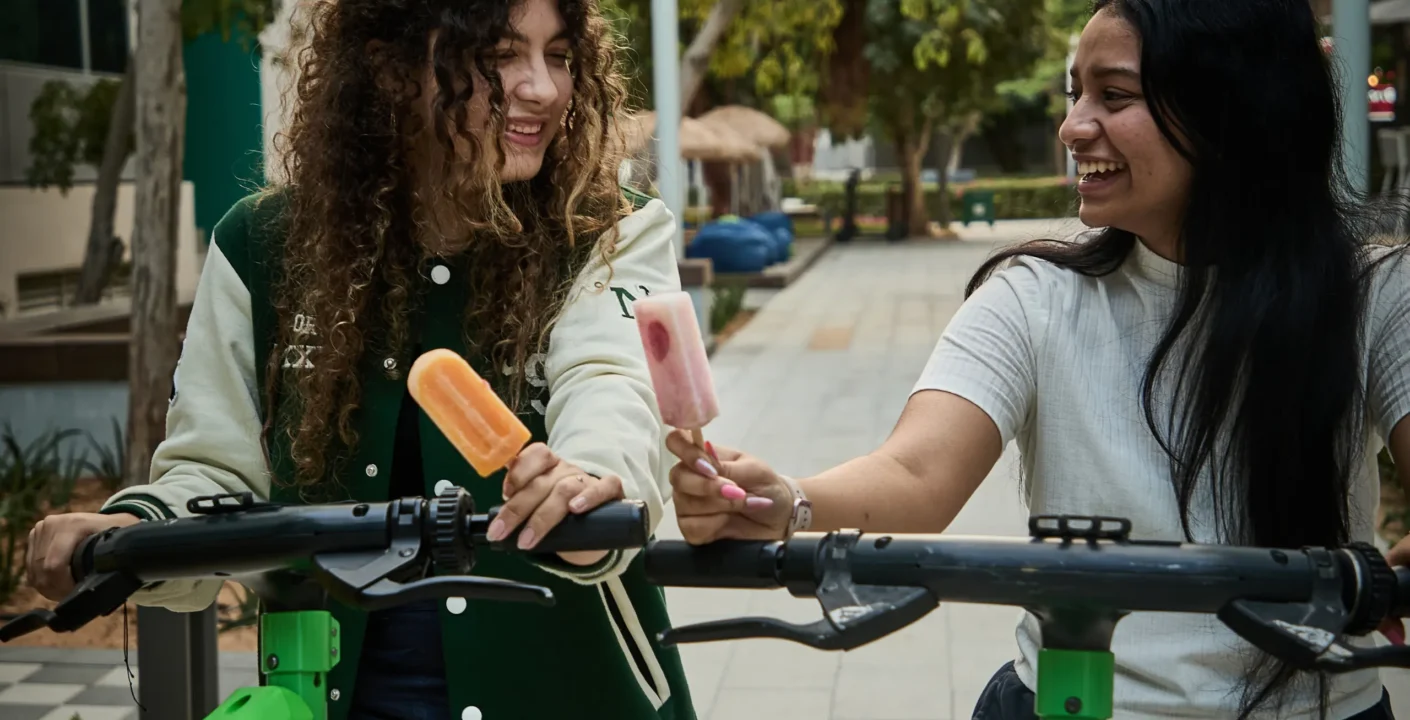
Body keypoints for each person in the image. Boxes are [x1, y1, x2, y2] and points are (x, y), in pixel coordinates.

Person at [665, 1, 1410, 719]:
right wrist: (786, 500)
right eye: (1074, 93)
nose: (1072, 126)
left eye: (1113, 96)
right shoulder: (1032, 296)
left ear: (1232, 107)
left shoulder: (1376, 295)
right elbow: (916, 474)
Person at [24, 1, 697, 719]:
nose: (543, 87)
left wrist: (588, 478)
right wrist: (134, 534)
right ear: (390, 66)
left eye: (559, 55)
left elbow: (611, 380)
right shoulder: (264, 248)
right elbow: (213, 474)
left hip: (574, 692)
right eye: (500, 54)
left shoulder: (612, 230)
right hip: (340, 696)